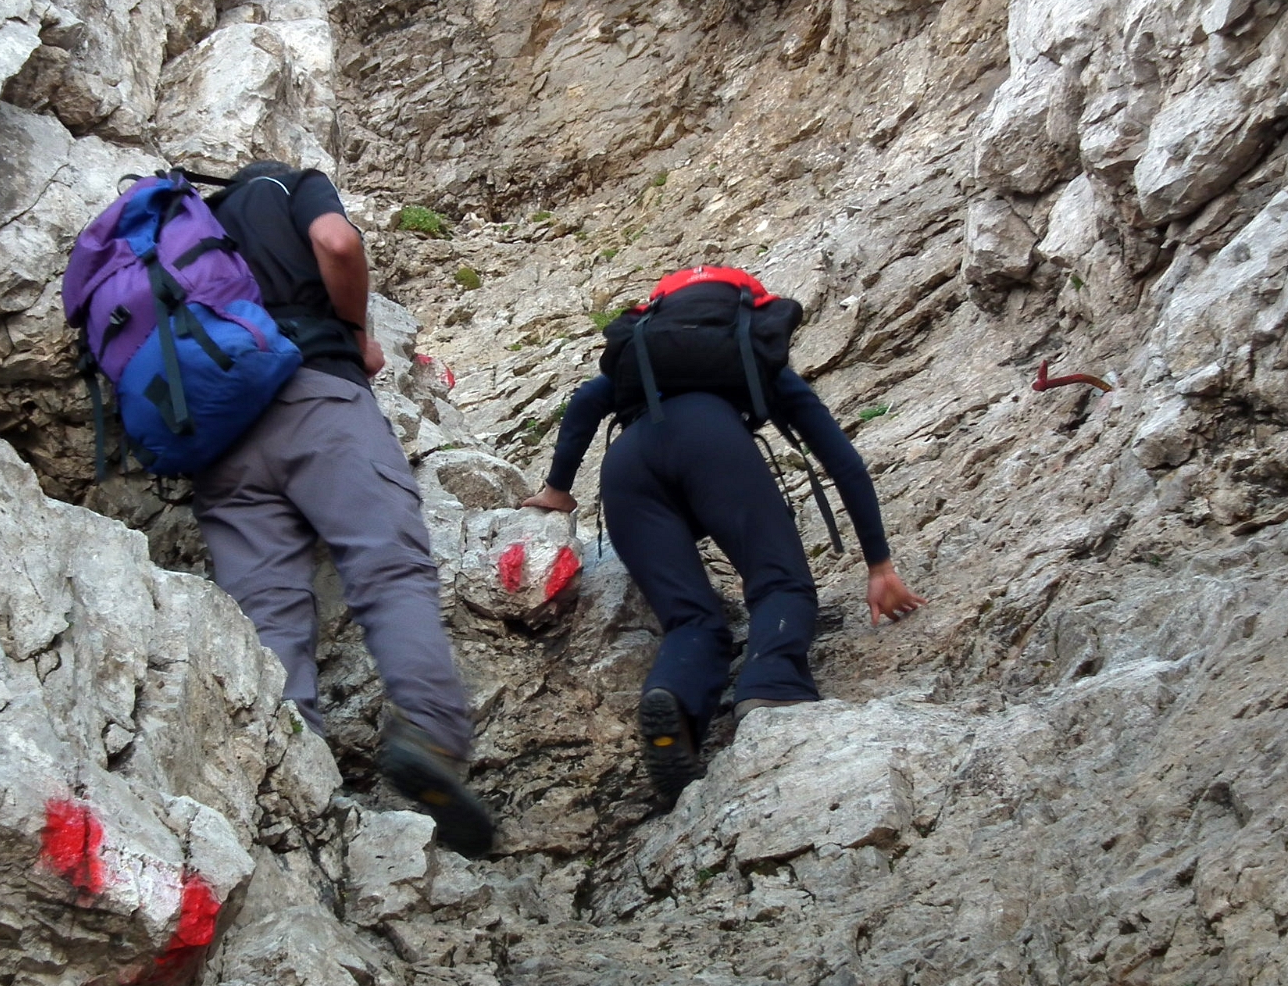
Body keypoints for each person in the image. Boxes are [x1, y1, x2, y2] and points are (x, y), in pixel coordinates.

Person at [523, 278, 926, 803]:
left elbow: (583, 404)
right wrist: (879, 564)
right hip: (713, 445)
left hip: (627, 471)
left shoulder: (640, 356)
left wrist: (557, 489)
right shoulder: (749, 355)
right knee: (780, 583)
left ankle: (676, 704)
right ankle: (771, 686)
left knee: (690, 620)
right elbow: (841, 461)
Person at [192, 161, 493, 856]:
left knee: (268, 613)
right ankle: (431, 732)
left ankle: (301, 790)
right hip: (314, 391)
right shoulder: (286, 184)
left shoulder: (184, 229)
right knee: (389, 568)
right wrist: (356, 333)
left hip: (218, 440)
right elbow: (337, 244)